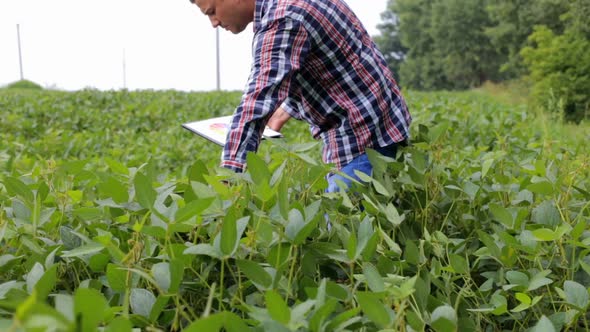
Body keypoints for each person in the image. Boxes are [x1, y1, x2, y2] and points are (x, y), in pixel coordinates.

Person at [189, 0, 411, 192]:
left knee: (342, 227)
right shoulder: (289, 7)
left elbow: (257, 101)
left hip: (361, 139)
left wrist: (230, 175)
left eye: (211, 11)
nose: (214, 22)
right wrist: (283, 112)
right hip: (384, 124)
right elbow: (326, 62)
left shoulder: (282, 20)